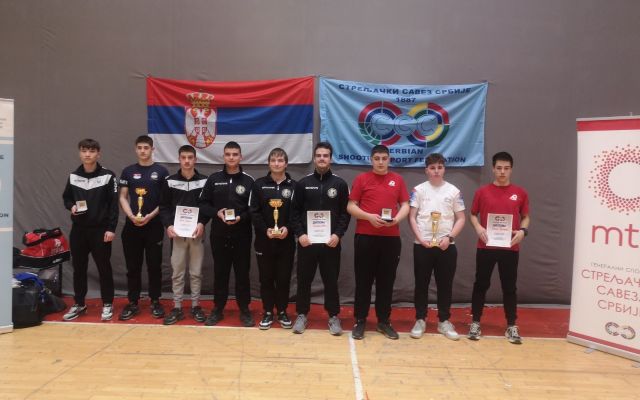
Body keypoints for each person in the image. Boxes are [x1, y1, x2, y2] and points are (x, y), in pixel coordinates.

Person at [347, 145, 410, 340]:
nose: (381, 162)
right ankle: (360, 320)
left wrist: (396, 220)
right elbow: (350, 206)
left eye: (384, 158)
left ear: (389, 159)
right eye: (377, 158)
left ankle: (383, 321)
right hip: (365, 237)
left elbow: (405, 205)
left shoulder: (397, 180)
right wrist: (368, 217)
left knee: (386, 282)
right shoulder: (361, 179)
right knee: (363, 281)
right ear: (371, 160)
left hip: (390, 239)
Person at [468, 151, 530, 344]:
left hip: (509, 248)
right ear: (493, 169)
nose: (502, 172)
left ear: (511, 170)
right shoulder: (482, 192)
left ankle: (511, 325)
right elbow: (472, 214)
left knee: (509, 287)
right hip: (486, 246)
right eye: (499, 168)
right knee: (480, 284)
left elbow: (526, 217)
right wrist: (478, 227)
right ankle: (475, 322)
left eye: (506, 168)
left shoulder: (520, 193)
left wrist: (523, 231)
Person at [290, 142, 351, 335]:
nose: (322, 158)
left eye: (325, 155)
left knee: (331, 281)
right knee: (303, 280)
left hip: (330, 243)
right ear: (314, 158)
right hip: (307, 242)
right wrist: (300, 234)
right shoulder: (303, 183)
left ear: (330, 158)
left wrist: (337, 234)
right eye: (319, 155)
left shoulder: (340, 184)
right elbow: (294, 212)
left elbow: (345, 213)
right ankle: (302, 315)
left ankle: (333, 316)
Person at [408, 153, 466, 340]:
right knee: (421, 284)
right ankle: (420, 319)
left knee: (445, 285)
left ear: (444, 169)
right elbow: (411, 217)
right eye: (432, 168)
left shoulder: (453, 191)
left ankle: (444, 321)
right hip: (422, 245)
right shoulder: (418, 190)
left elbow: (461, 218)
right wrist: (420, 238)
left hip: (446, 246)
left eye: (439, 167)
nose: (436, 171)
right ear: (426, 170)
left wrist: (449, 237)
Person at [198, 141, 255, 327]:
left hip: (242, 235)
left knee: (242, 274)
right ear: (223, 157)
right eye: (228, 154)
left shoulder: (249, 181)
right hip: (219, 235)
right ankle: (218, 309)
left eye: (235, 154)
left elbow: (254, 209)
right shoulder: (214, 179)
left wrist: (241, 217)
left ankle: (244, 309)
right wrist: (217, 213)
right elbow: (203, 204)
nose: (231, 157)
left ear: (241, 157)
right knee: (220, 273)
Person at [62, 138, 118, 321]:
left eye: (92, 151)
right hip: (79, 230)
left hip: (101, 230)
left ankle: (108, 303)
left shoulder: (108, 176)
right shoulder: (73, 176)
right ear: (80, 153)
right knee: (79, 268)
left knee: (104, 268)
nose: (88, 154)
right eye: (84, 150)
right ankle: (79, 303)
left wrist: (111, 228)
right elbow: (67, 198)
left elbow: (113, 205)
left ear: (98, 154)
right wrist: (71, 206)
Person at [118, 135, 169, 321]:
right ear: (135, 149)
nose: (142, 151)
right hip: (132, 225)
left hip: (153, 225)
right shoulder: (128, 171)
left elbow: (165, 201)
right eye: (139, 147)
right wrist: (131, 216)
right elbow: (123, 197)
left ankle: (155, 300)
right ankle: (133, 302)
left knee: (154, 265)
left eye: (146, 148)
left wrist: (149, 216)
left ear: (152, 149)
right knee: (133, 266)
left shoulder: (161, 172)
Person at [159, 145, 209, 325]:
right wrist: (168, 225)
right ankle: (177, 307)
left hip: (196, 234)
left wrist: (202, 222)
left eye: (190, 157)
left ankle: (196, 306)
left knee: (196, 272)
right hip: (177, 235)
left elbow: (207, 206)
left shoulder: (204, 181)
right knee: (177, 273)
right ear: (179, 159)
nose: (187, 161)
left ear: (195, 159)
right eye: (183, 158)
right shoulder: (169, 181)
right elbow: (164, 207)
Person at [250, 148, 296, 330]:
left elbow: (297, 213)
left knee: (284, 278)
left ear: (286, 163)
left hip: (286, 241)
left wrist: (288, 228)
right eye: (273, 160)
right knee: (266, 278)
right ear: (268, 163)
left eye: (280, 160)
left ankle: (282, 311)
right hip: (264, 241)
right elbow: (254, 212)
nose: (277, 163)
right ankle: (268, 311)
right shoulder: (259, 185)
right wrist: (266, 230)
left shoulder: (294, 186)